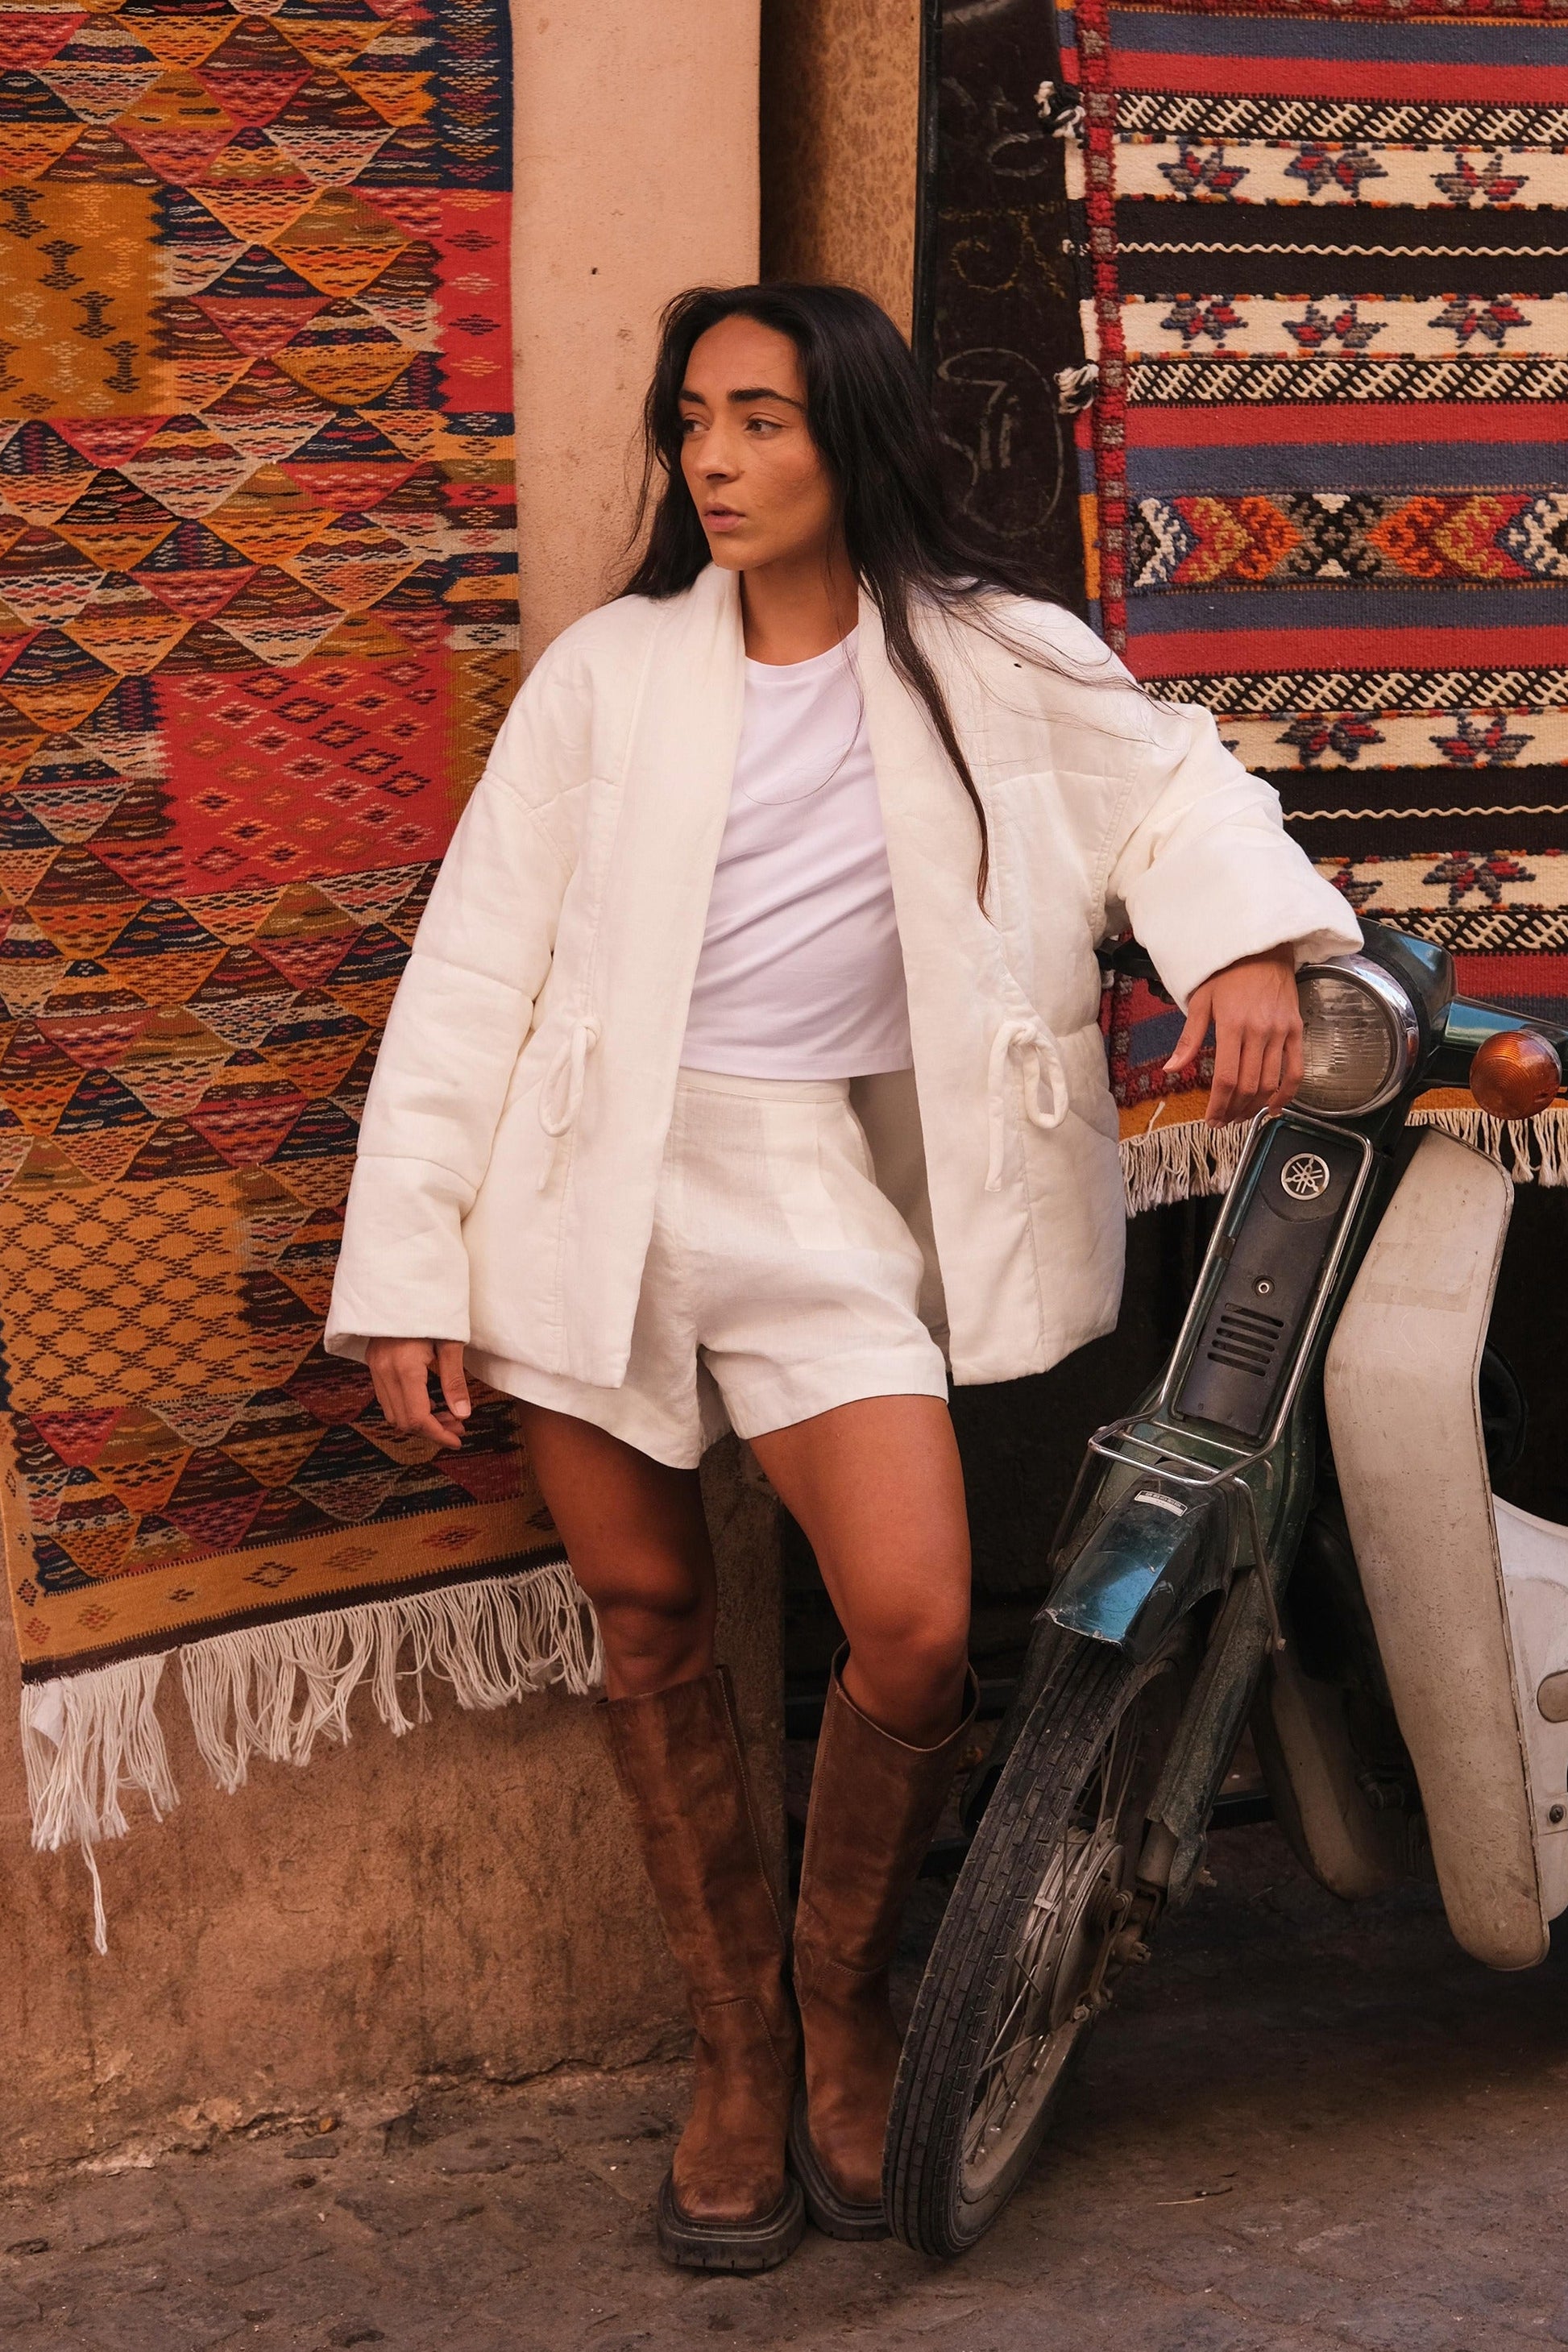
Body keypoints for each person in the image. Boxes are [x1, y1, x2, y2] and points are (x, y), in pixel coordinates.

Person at [326, 282, 1361, 2271]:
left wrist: (1245, 945)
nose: (713, 460)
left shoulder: (994, 655)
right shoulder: (607, 676)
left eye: (762, 422)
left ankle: (844, 2005)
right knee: (647, 1610)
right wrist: (411, 1266)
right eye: (693, 420)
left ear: (852, 438)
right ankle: (733, 2053)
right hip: (576, 1188)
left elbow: (1174, 787)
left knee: (905, 1620)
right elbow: (471, 978)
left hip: (805, 1186)